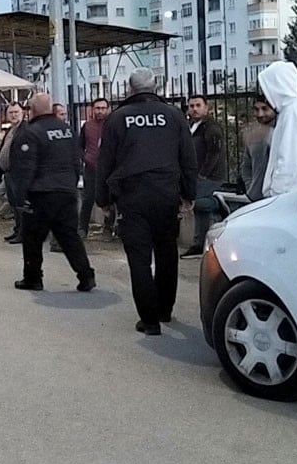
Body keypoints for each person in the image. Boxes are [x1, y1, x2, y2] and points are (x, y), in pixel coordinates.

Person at [97, 68, 197, 336]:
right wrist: (189, 194)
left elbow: (105, 162)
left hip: (132, 196)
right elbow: (188, 158)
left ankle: (149, 320)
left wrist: (103, 199)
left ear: (130, 89)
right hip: (166, 194)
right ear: (156, 88)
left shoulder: (117, 118)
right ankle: (164, 309)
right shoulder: (174, 115)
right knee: (167, 253)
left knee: (139, 258)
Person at [9, 93, 96, 292]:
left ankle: (33, 278)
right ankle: (86, 275)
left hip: (41, 194)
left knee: (32, 238)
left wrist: (21, 197)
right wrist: (71, 184)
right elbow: (76, 161)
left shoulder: (31, 133)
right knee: (69, 236)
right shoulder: (67, 130)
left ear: (32, 110)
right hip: (66, 192)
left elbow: (26, 168)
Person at [258, 61, 297, 198]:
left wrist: (277, 193)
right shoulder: (296, 108)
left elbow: (289, 158)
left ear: (277, 86)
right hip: (294, 192)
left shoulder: (292, 111)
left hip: (287, 195)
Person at [180, 95, 225, 259]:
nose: (194, 109)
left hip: (210, 176)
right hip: (195, 175)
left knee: (197, 203)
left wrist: (204, 174)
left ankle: (217, 204)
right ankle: (200, 243)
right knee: (199, 210)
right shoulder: (192, 126)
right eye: (191, 106)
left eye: (198, 105)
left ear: (206, 107)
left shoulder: (211, 127)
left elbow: (214, 152)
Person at [0, 102, 27, 244]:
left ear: (22, 113)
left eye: (16, 112)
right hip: (9, 173)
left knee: (19, 204)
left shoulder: (25, 130)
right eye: (11, 113)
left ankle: (22, 233)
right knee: (14, 204)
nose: (14, 115)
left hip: (19, 173)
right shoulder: (11, 130)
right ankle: (17, 230)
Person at [77, 97, 112, 239]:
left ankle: (109, 228)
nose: (100, 111)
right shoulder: (87, 126)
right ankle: (82, 228)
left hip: (109, 169)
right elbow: (79, 146)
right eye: (97, 108)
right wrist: (85, 158)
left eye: (103, 108)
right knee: (88, 199)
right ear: (92, 109)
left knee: (109, 200)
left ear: (108, 109)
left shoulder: (112, 125)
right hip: (91, 168)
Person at [239, 95, 276, 203]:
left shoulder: (287, 129)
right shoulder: (253, 134)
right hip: (256, 198)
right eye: (256, 109)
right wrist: (251, 187)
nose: (260, 114)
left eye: (265, 109)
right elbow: (246, 166)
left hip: (279, 196)